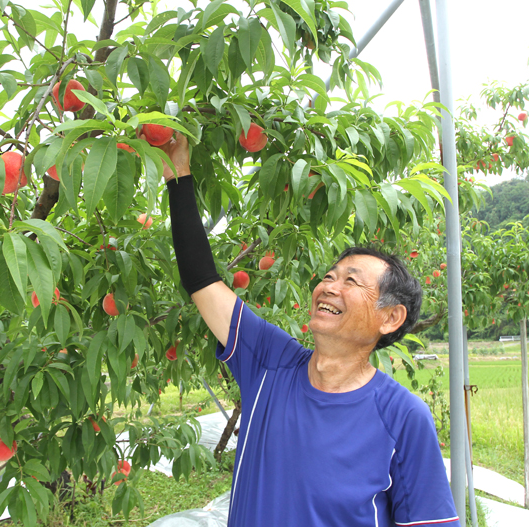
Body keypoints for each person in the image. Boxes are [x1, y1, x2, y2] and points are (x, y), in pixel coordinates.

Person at [145, 130, 461, 527]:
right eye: (329, 275)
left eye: (351, 280)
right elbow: (203, 281)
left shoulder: (402, 417)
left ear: (390, 317)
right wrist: (178, 175)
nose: (329, 286)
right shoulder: (269, 364)